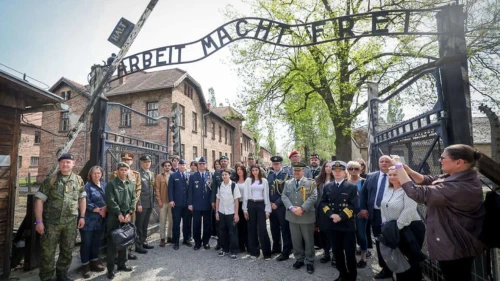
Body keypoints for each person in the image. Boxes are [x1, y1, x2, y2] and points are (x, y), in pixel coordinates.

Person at [392, 144, 485, 281]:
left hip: (455, 245)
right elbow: (427, 180)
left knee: (455, 276)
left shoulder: (459, 186)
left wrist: (399, 168)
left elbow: (416, 193)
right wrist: (409, 171)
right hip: (453, 241)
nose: (439, 160)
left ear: (459, 162)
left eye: (442, 157)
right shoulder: (458, 176)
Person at [34, 153, 86, 281]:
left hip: (70, 223)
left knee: (67, 250)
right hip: (51, 223)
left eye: (68, 162)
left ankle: (62, 275)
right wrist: (39, 221)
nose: (65, 164)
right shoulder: (50, 180)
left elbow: (82, 198)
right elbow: (39, 201)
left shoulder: (78, 180)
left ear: (73, 164)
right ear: (59, 164)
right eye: (62, 162)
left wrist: (82, 216)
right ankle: (46, 277)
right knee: (48, 252)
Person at [381, 166, 425, 281]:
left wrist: (396, 228)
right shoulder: (389, 189)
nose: (392, 177)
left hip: (410, 228)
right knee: (398, 258)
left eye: (395, 174)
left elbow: (409, 210)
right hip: (394, 229)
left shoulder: (409, 189)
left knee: (410, 260)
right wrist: (385, 225)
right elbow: (383, 208)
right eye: (390, 175)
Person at [320, 161, 358, 281]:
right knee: (337, 252)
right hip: (333, 224)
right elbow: (323, 202)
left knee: (350, 253)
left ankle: (352, 277)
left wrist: (340, 216)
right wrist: (331, 214)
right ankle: (342, 274)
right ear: (332, 171)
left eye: (340, 170)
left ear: (344, 173)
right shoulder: (327, 186)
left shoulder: (351, 187)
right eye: (335, 170)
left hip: (347, 225)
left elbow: (354, 206)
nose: (337, 172)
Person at [359, 155, 393, 279]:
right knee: (379, 242)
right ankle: (385, 269)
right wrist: (363, 208)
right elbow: (363, 194)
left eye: (387, 161)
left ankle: (399, 267)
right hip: (376, 214)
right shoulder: (371, 176)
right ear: (378, 163)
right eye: (381, 161)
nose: (384, 163)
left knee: (394, 241)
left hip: (392, 214)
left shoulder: (396, 175)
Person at [282, 162, 317, 274]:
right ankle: (299, 259)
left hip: (306, 215)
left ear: (303, 171)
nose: (296, 172)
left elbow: (314, 196)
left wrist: (302, 208)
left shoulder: (310, 182)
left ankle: (310, 261)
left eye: (299, 170)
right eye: (295, 170)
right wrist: (292, 208)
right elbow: (284, 196)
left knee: (308, 240)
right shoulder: (288, 183)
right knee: (296, 240)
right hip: (293, 216)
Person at [105, 162, 135, 279]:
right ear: (117, 171)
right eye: (121, 170)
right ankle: (110, 269)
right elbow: (110, 200)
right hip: (114, 217)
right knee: (112, 243)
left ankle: (122, 264)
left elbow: (133, 199)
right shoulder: (111, 184)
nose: (123, 172)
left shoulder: (130, 184)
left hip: (126, 216)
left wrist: (130, 212)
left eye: (125, 170)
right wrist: (118, 213)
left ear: (128, 171)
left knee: (125, 241)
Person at [109, 152, 141, 260]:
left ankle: (129, 251)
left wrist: (133, 205)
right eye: (124, 160)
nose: (126, 162)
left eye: (128, 160)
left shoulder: (135, 174)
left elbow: (137, 190)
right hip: (118, 209)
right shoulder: (115, 174)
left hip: (130, 208)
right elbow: (112, 193)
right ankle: (117, 253)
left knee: (129, 229)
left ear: (131, 162)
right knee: (118, 231)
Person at [80, 166, 107, 278]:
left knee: (96, 242)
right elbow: (85, 201)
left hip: (101, 220)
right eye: (94, 173)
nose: (96, 175)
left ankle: (94, 261)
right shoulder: (87, 186)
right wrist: (98, 209)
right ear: (90, 175)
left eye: (98, 173)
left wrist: (106, 209)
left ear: (101, 174)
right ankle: (85, 266)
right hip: (89, 219)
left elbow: (109, 198)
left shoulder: (105, 185)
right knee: (86, 243)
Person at [243, 165, 272, 259]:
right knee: (252, 228)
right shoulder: (248, 180)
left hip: (261, 204)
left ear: (259, 171)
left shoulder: (264, 181)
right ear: (251, 171)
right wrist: (245, 209)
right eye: (253, 170)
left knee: (262, 228)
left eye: (256, 170)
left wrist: (267, 210)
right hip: (251, 204)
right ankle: (254, 252)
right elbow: (245, 195)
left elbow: (266, 195)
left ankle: (266, 253)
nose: (255, 172)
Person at [268, 155, 293, 261]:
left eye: (277, 164)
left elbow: (286, 192)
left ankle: (286, 251)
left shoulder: (286, 175)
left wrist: (277, 203)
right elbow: (268, 190)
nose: (276, 165)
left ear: (281, 164)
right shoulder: (270, 175)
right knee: (274, 228)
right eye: (274, 164)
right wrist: (269, 202)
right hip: (271, 205)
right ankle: (276, 247)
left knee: (285, 229)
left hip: (281, 206)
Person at [346, 161, 369, 268]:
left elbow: (369, 197)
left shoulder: (364, 182)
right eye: (351, 168)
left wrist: (365, 209)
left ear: (360, 169)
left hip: (361, 212)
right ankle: (352, 258)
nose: (353, 171)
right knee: (350, 236)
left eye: (356, 168)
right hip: (348, 213)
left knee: (361, 234)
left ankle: (363, 257)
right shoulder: (345, 182)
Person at [215, 169, 242, 259]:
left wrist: (236, 214)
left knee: (232, 232)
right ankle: (224, 249)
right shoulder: (220, 185)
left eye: (226, 174)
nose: (224, 176)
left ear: (229, 175)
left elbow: (236, 200)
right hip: (222, 212)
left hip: (231, 212)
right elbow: (218, 199)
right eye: (223, 175)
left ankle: (234, 250)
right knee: (222, 231)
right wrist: (217, 212)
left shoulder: (234, 185)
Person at [211, 155, 236, 250]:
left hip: (230, 202)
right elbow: (214, 188)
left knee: (231, 224)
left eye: (225, 161)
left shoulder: (233, 172)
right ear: (220, 163)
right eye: (222, 161)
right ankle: (220, 243)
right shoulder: (216, 173)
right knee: (219, 224)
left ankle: (231, 243)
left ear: (228, 162)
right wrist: (212, 200)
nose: (223, 162)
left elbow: (235, 186)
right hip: (219, 202)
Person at [188, 156, 212, 250]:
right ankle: (197, 242)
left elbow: (213, 190)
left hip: (207, 204)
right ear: (198, 165)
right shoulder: (193, 176)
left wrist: (213, 202)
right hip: (196, 204)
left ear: (206, 165)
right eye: (200, 164)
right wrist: (190, 203)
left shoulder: (210, 175)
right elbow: (190, 190)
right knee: (196, 224)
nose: (202, 165)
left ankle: (206, 242)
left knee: (207, 224)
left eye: (203, 164)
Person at [169, 159, 193, 250]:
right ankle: (176, 241)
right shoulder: (173, 175)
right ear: (178, 166)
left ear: (186, 166)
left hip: (186, 204)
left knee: (186, 223)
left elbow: (190, 190)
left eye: (184, 165)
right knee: (176, 223)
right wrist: (171, 200)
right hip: (177, 204)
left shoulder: (189, 176)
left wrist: (190, 203)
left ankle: (186, 239)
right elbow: (170, 189)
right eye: (180, 165)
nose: (182, 166)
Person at [135, 154, 155, 254]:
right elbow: (136, 190)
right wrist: (138, 204)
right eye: (145, 162)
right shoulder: (138, 174)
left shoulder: (151, 173)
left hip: (150, 203)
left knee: (145, 224)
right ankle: (138, 245)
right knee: (139, 224)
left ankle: (144, 241)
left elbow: (152, 189)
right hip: (141, 203)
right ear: (141, 163)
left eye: (149, 162)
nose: (147, 164)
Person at [315, 160, 334, 265]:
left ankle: (335, 254)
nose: (328, 168)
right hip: (321, 210)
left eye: (330, 166)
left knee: (334, 232)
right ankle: (326, 253)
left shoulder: (336, 179)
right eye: (326, 166)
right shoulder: (318, 180)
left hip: (333, 210)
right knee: (324, 232)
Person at [155, 160, 173, 247]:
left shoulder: (174, 175)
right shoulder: (159, 176)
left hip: (172, 202)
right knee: (162, 221)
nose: (167, 167)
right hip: (163, 202)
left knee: (171, 221)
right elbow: (157, 189)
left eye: (169, 165)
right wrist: (159, 201)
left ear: (171, 166)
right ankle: (162, 238)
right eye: (165, 166)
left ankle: (169, 236)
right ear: (163, 167)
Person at [234, 163, 249, 252]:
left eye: (241, 169)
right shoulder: (235, 181)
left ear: (244, 171)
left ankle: (248, 244)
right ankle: (241, 246)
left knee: (247, 226)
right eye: (238, 169)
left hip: (246, 204)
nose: (239, 171)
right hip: (237, 205)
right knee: (239, 226)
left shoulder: (248, 181)